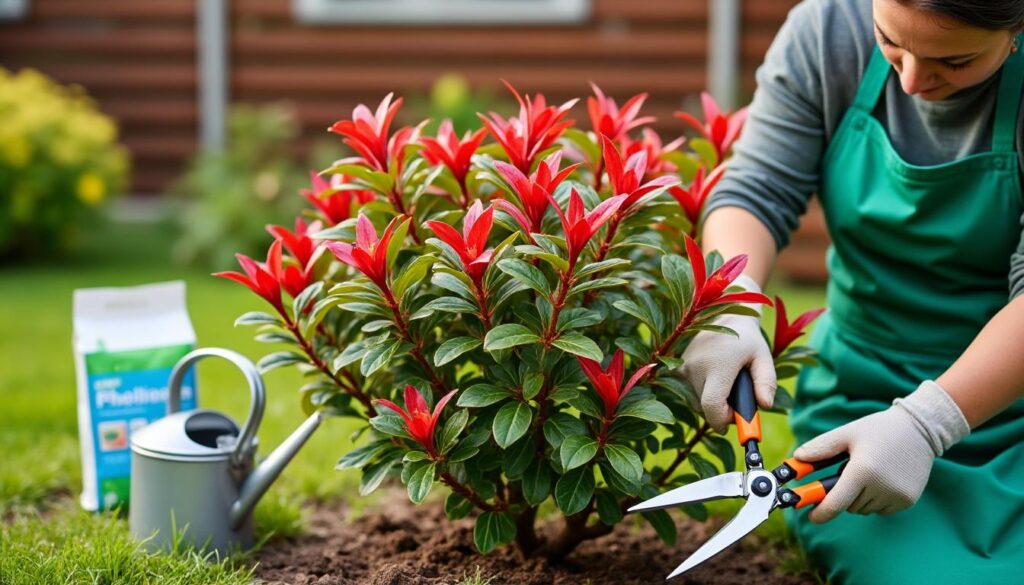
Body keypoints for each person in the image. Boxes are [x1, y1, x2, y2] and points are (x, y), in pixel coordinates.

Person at [679, 0, 1024, 582]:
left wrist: (927, 424)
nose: (911, 80)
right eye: (889, 40)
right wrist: (730, 298)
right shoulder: (827, 30)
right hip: (862, 403)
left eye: (955, 60)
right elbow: (757, 188)